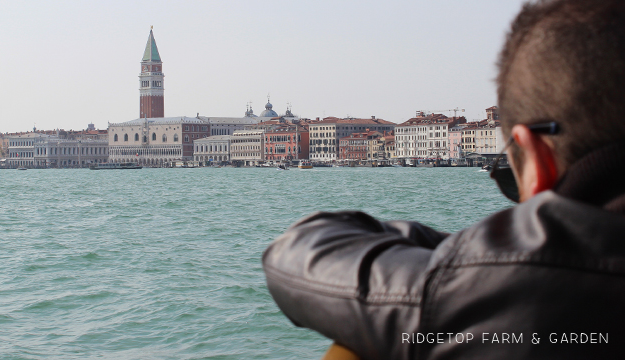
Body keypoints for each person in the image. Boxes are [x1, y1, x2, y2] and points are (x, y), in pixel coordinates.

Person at [262, 0, 625, 359]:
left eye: (509, 178)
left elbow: (294, 253)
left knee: (353, 349)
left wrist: (469, 253)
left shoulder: (499, 293)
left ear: (538, 158)